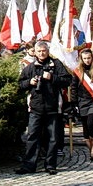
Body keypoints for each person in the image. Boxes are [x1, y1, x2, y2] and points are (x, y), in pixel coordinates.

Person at [16, 41, 71, 175]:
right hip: (35, 108)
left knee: (52, 138)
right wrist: (29, 82)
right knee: (32, 136)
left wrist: (52, 77)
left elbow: (68, 80)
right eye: (39, 51)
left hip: (52, 107)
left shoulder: (56, 64)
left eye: (44, 51)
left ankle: (50, 165)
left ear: (47, 51)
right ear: (35, 52)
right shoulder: (30, 67)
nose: (42, 53)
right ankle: (29, 165)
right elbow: (20, 84)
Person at [70, 47, 93, 161]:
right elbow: (74, 87)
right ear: (81, 59)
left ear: (92, 58)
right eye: (85, 58)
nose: (87, 60)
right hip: (82, 100)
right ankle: (90, 149)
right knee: (85, 126)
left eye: (89, 58)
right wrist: (73, 103)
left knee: (91, 123)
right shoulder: (77, 71)